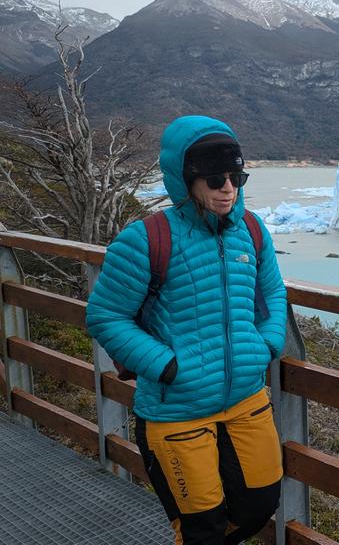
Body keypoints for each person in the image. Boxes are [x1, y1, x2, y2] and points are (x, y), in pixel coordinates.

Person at [86, 115, 288, 545]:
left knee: (259, 506)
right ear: (185, 179)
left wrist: (267, 344)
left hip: (246, 400)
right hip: (177, 410)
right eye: (214, 179)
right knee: (202, 527)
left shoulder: (252, 230)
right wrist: (168, 366)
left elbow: (272, 292)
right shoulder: (146, 239)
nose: (228, 188)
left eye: (236, 177)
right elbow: (105, 316)